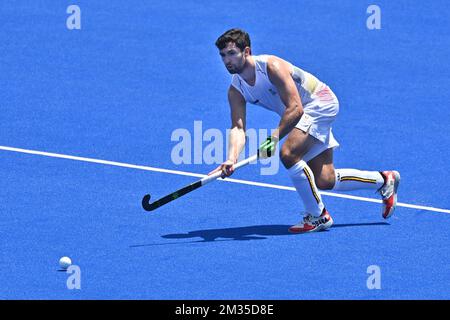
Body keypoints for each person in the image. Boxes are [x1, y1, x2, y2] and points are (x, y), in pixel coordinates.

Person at [209, 28, 400, 233]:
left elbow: (296, 108)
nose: (227, 60)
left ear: (246, 51)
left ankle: (318, 216)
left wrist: (273, 139)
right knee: (325, 179)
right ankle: (383, 180)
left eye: (231, 53)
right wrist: (231, 159)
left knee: (288, 153)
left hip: (319, 103)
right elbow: (238, 128)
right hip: (304, 113)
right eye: (222, 55)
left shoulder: (271, 66)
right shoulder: (235, 90)